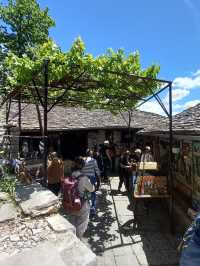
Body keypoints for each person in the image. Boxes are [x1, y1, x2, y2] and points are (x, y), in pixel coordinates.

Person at [67, 157, 94, 238]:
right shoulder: (84, 178)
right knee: (82, 224)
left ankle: (72, 237)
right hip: (81, 204)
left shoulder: (70, 176)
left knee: (73, 222)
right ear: (82, 166)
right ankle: (78, 239)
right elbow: (91, 189)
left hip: (70, 203)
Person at [82, 149, 100, 215]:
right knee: (93, 192)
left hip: (84, 178)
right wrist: (99, 181)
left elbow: (81, 168)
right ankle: (92, 208)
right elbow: (97, 171)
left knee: (84, 193)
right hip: (91, 178)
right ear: (91, 154)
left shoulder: (83, 160)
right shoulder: (93, 160)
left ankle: (84, 208)